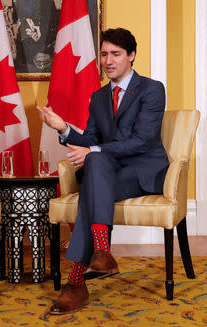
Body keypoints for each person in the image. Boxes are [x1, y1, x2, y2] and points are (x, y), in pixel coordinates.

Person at [38, 28, 169, 314]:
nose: (108, 61)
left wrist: (93, 152)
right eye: (104, 54)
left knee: (92, 177)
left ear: (131, 56)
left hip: (143, 169)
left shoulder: (152, 89)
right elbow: (92, 140)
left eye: (116, 54)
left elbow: (141, 141)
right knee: (95, 165)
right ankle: (101, 252)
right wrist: (63, 128)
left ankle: (75, 282)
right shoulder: (98, 97)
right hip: (109, 170)